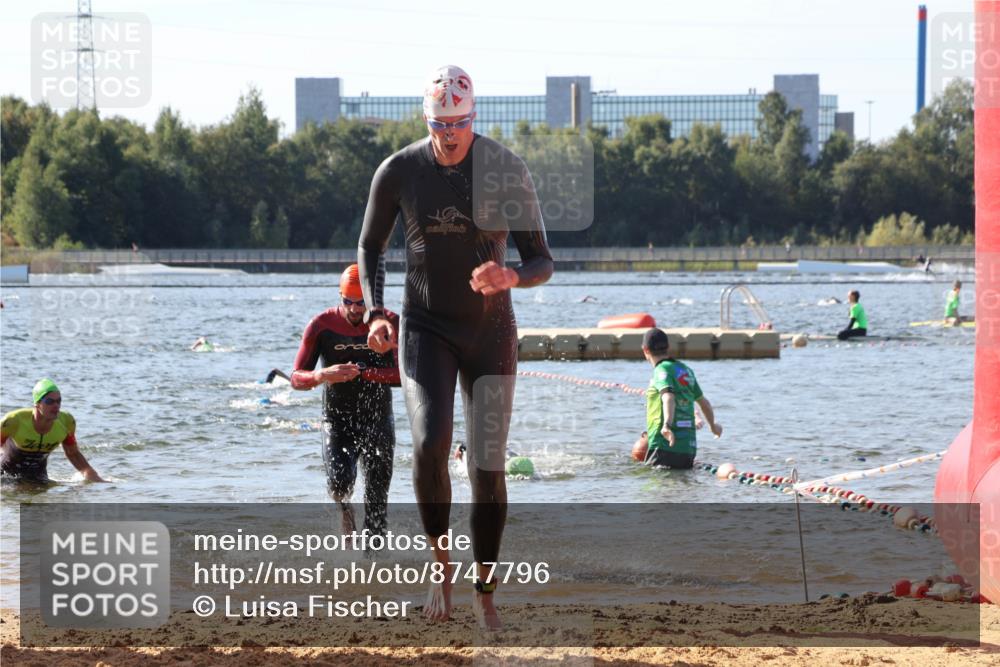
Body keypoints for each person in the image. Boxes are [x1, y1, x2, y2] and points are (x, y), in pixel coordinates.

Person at [358, 65, 553, 630]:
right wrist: (375, 312)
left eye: (459, 124)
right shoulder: (399, 170)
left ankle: (485, 590)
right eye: (440, 125)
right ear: (428, 120)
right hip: (424, 327)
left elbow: (542, 259)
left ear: (474, 119)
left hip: (490, 332)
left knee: (489, 465)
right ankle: (440, 560)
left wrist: (512, 276)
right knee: (429, 443)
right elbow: (371, 246)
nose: (449, 135)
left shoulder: (505, 169)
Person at [290, 264, 400, 537]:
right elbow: (295, 378)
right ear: (340, 297)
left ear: (371, 301)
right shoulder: (322, 325)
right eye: (347, 302)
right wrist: (321, 375)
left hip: (378, 420)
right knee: (339, 485)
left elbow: (404, 377)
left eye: (361, 303)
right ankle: (346, 511)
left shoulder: (389, 323)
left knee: (377, 505)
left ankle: (374, 570)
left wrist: (367, 373)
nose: (354, 309)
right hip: (337, 420)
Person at [641, 329, 722, 469]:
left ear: (645, 350)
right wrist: (713, 426)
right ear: (668, 348)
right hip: (688, 449)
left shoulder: (661, 370)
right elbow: (704, 403)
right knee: (681, 486)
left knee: (655, 488)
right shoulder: (685, 370)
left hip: (664, 445)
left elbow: (668, 397)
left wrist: (666, 425)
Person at [1, 379, 105, 484]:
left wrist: (93, 476)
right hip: (5, 475)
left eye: (58, 401)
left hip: (38, 476)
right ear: (37, 403)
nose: (56, 405)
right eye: (49, 401)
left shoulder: (66, 421)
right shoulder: (14, 420)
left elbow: (73, 453)